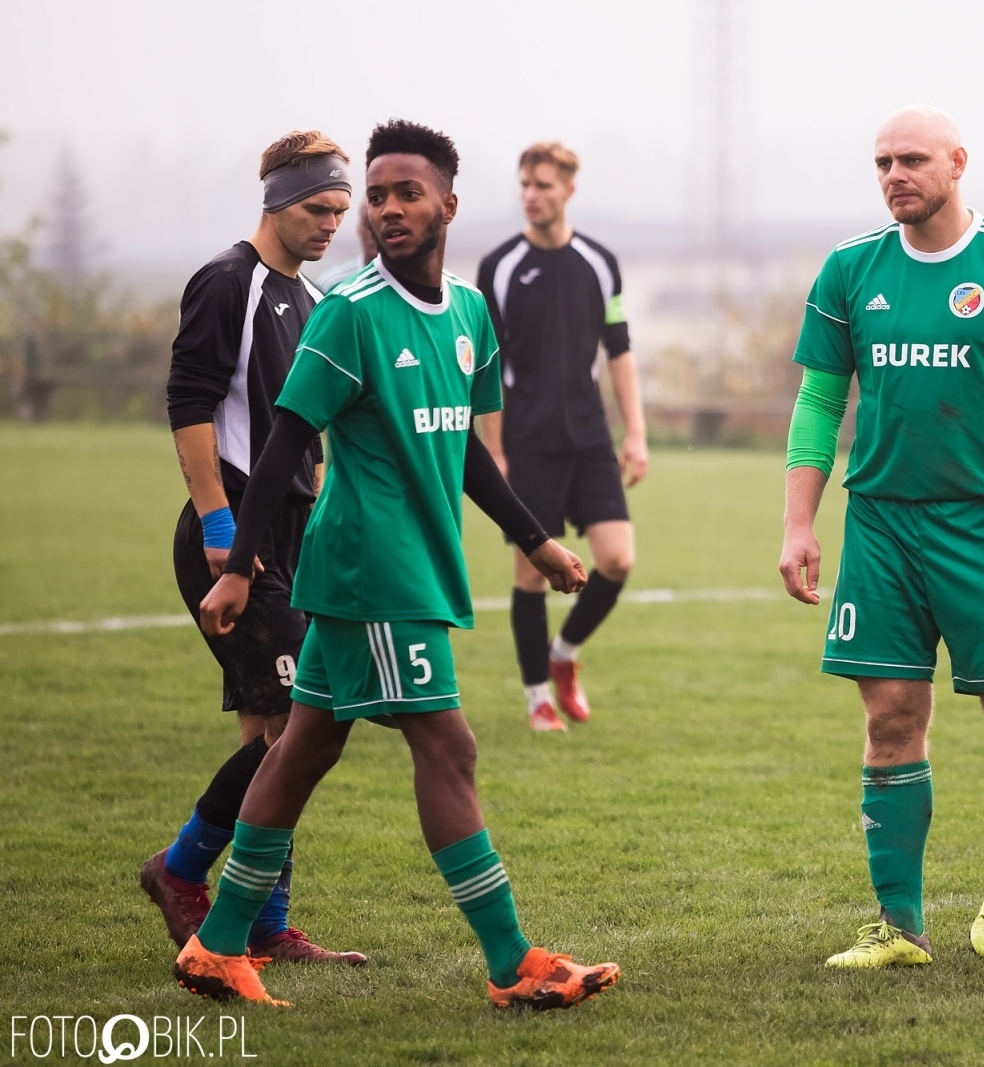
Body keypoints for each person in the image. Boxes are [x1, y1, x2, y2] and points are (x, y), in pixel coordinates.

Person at [174, 119, 620, 1011]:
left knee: (303, 746)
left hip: (414, 562)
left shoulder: (466, 313)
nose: (385, 210)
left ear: (449, 204)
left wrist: (534, 539)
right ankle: (511, 962)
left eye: (404, 193)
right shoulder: (349, 312)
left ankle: (217, 944)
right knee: (448, 745)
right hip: (372, 567)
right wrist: (234, 564)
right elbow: (286, 444)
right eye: (375, 196)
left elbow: (464, 453)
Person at [777, 106, 984, 968]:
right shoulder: (850, 270)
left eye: (912, 159)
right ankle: (900, 925)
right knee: (890, 717)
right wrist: (799, 524)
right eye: (881, 161)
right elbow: (818, 403)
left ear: (958, 162)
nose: (893, 174)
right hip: (881, 522)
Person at [147, 130, 365, 966]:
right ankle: (182, 867)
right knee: (294, 731)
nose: (330, 225)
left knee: (276, 740)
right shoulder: (227, 281)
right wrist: (216, 522)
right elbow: (190, 399)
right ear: (276, 197)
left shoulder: (308, 299)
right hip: (235, 533)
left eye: (340, 213)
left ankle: (265, 924)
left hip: (291, 537)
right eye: (319, 208)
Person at [476, 142, 647, 732]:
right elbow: (488, 370)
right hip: (526, 443)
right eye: (525, 183)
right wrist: (494, 449)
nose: (531, 195)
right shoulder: (497, 267)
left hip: (591, 439)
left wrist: (637, 434)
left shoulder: (600, 263)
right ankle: (536, 697)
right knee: (531, 573)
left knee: (618, 559)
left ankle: (564, 655)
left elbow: (619, 352)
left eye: (543, 185)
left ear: (568, 190)